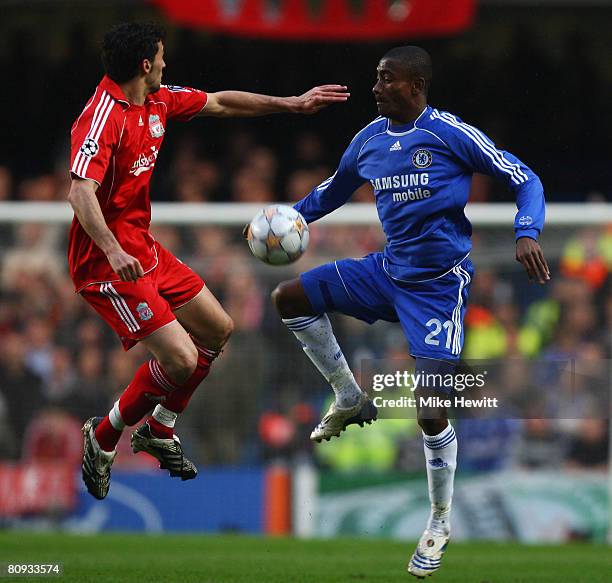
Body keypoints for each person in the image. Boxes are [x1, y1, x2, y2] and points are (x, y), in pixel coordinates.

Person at [269, 46, 549, 577]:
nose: (375, 88)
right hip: (386, 274)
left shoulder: (449, 133)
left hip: (439, 289)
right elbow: (332, 192)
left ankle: (440, 521)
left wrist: (526, 231)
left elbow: (525, 178)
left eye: (385, 80)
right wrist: (283, 218)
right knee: (289, 297)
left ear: (415, 85)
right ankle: (349, 396)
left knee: (429, 409)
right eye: (375, 79)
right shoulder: (369, 139)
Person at [68, 22, 349, 501]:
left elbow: (220, 101)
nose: (165, 64)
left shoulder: (156, 102)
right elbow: (79, 191)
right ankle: (103, 438)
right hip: (104, 263)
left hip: (143, 248)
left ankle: (160, 428)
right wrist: (113, 251)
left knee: (218, 329)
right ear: (144, 64)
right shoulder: (103, 116)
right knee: (179, 357)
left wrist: (291, 103)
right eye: (160, 57)